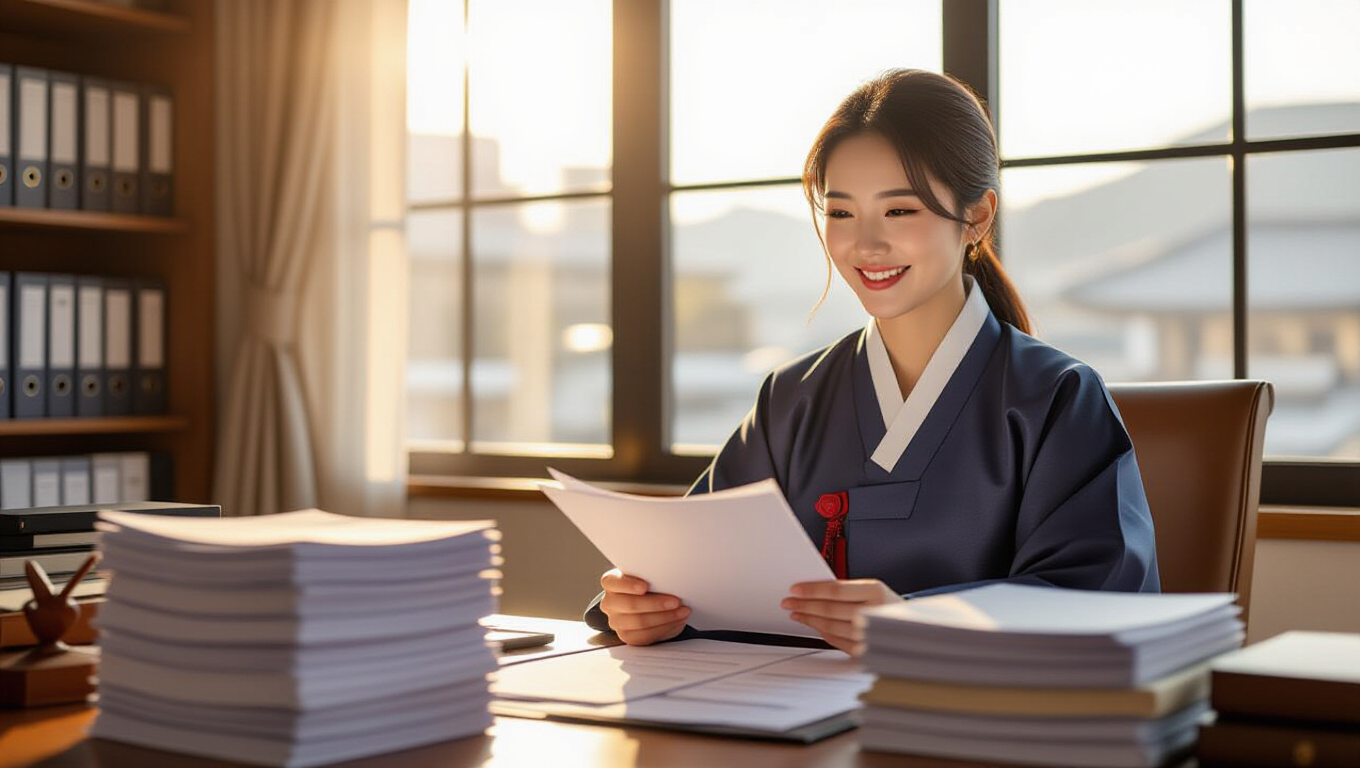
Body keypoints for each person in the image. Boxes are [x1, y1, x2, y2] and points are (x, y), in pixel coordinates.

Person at [584, 69, 1160, 656]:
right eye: (840, 214)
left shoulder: (1057, 397)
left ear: (978, 218)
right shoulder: (790, 399)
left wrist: (915, 626)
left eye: (900, 211)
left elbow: (1097, 605)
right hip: (788, 732)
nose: (865, 245)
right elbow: (686, 567)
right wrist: (643, 607)